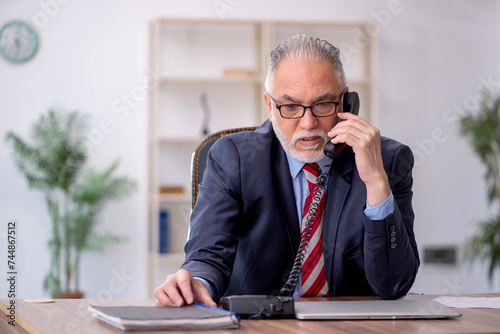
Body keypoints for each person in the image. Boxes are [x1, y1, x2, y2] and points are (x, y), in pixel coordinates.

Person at [154, 35, 419, 307]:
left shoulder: (387, 160)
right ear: (270, 106)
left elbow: (393, 283)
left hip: (352, 326)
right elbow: (208, 254)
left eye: (323, 104)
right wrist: (197, 283)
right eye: (290, 106)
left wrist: (375, 181)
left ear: (346, 102)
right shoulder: (233, 158)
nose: (308, 123)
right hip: (260, 325)